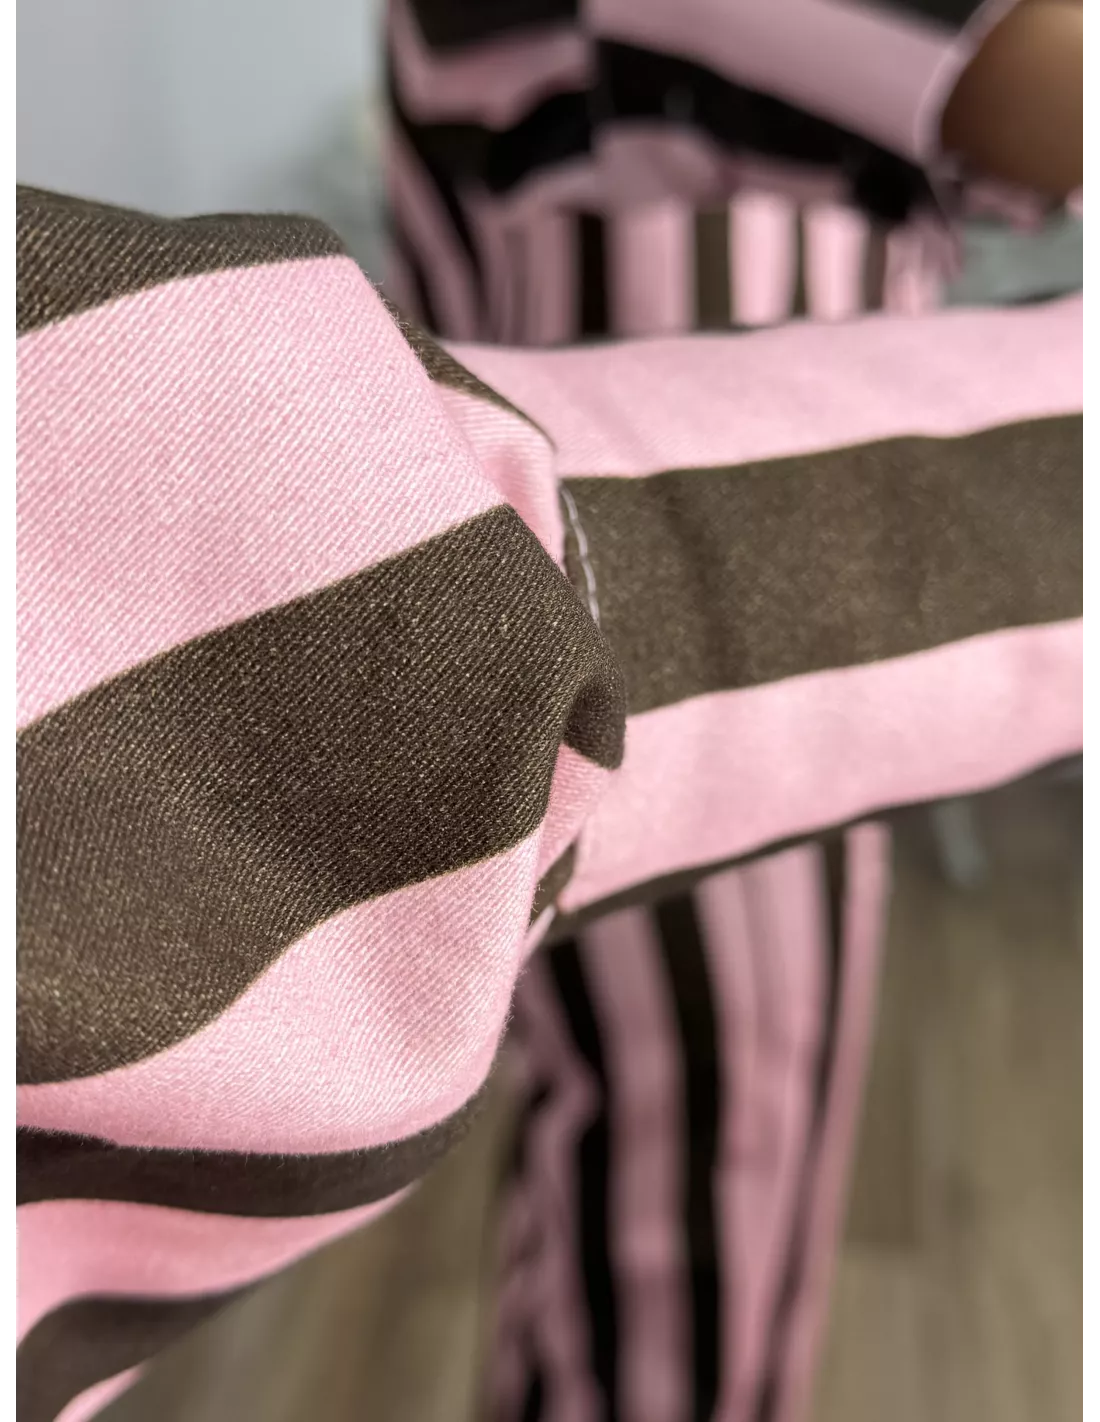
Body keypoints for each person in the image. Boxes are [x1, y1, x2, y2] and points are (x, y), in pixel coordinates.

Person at [15, 4, 1083, 1420]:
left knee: (709, 1153)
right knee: (697, 1165)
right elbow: (1036, 82)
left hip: (727, 564)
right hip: (648, 593)